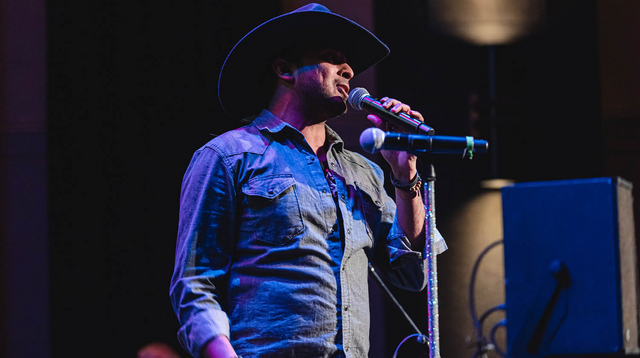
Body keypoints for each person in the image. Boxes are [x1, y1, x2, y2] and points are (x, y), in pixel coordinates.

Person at [170, 4, 446, 358]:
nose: (348, 70)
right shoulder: (228, 156)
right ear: (285, 69)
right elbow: (195, 284)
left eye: (347, 63)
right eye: (331, 58)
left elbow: (413, 275)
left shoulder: (363, 173)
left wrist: (404, 174)